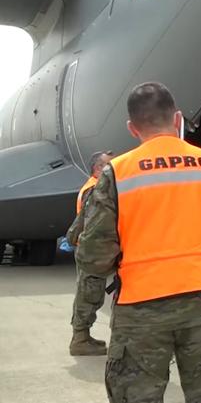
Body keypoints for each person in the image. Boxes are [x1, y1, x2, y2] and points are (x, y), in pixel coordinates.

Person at [76, 82, 201, 403]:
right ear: (177, 120)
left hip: (141, 307)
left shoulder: (117, 173)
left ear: (132, 128)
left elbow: (92, 255)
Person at [65, 149, 113, 356]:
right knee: (89, 293)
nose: (114, 168)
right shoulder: (94, 189)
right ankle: (80, 339)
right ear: (97, 169)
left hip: (93, 248)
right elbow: (94, 224)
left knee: (91, 292)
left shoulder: (96, 187)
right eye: (109, 165)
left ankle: (83, 336)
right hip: (92, 250)